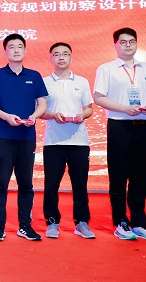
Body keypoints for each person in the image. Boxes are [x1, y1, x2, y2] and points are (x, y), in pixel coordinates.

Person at [93, 27, 146, 241]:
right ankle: (121, 222)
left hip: (143, 126)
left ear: (136, 43)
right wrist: (124, 108)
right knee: (118, 176)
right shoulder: (107, 69)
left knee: (141, 176)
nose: (128, 45)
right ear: (115, 45)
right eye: (123, 42)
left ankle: (139, 223)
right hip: (119, 126)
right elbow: (98, 97)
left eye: (131, 41)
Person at [0, 33, 48, 242]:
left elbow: (43, 104)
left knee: (26, 184)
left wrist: (34, 117)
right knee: (1, 183)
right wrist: (6, 117)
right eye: (11, 46)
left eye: (20, 46)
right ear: (5, 51)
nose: (16, 50)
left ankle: (25, 226)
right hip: (3, 136)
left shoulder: (35, 76)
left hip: (27, 137)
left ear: (25, 50)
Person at [40, 42, 95, 239]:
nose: (61, 57)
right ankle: (52, 222)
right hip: (53, 142)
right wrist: (53, 115)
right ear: (50, 58)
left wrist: (82, 115)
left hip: (79, 141)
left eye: (65, 54)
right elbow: (40, 111)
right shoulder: (44, 82)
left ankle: (81, 222)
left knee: (80, 184)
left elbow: (89, 108)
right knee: (51, 184)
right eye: (57, 54)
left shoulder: (81, 81)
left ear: (71, 57)